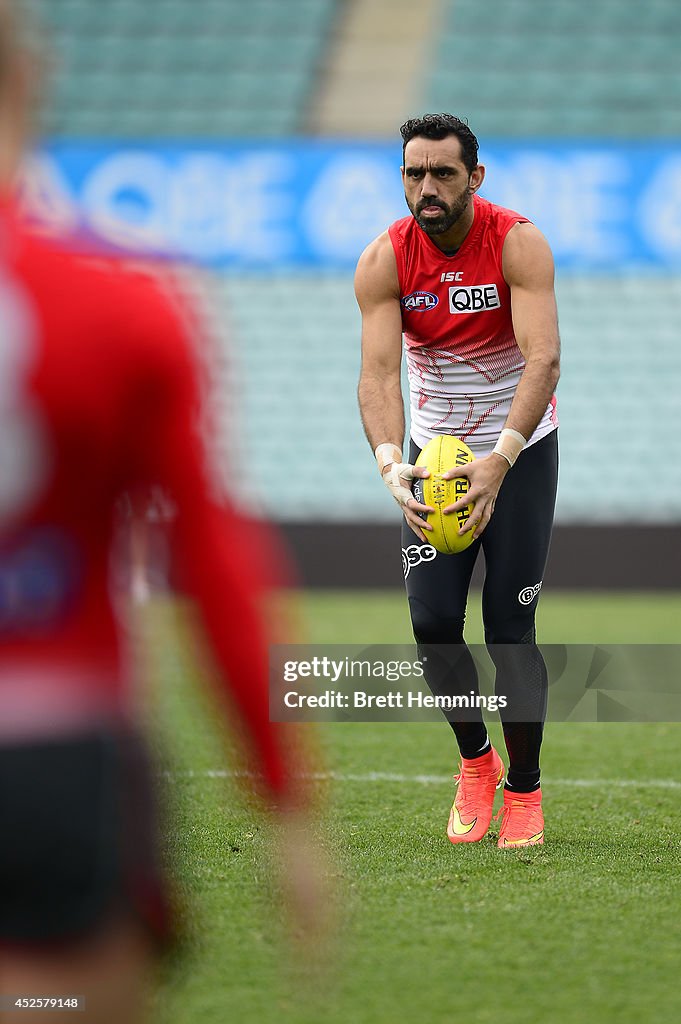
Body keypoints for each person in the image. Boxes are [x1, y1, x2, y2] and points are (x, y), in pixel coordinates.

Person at [0, 3, 318, 1021]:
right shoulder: (122, 299)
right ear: (33, 75)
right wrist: (287, 805)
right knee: (56, 1007)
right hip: (51, 756)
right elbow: (215, 561)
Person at [356, 113, 560, 849]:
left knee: (510, 630)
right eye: (414, 173)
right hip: (433, 457)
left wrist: (500, 461)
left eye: (443, 173)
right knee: (433, 623)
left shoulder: (515, 241)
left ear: (475, 177)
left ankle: (525, 791)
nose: (427, 187)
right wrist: (390, 464)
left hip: (518, 451)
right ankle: (475, 762)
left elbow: (542, 359)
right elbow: (377, 375)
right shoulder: (384, 258)